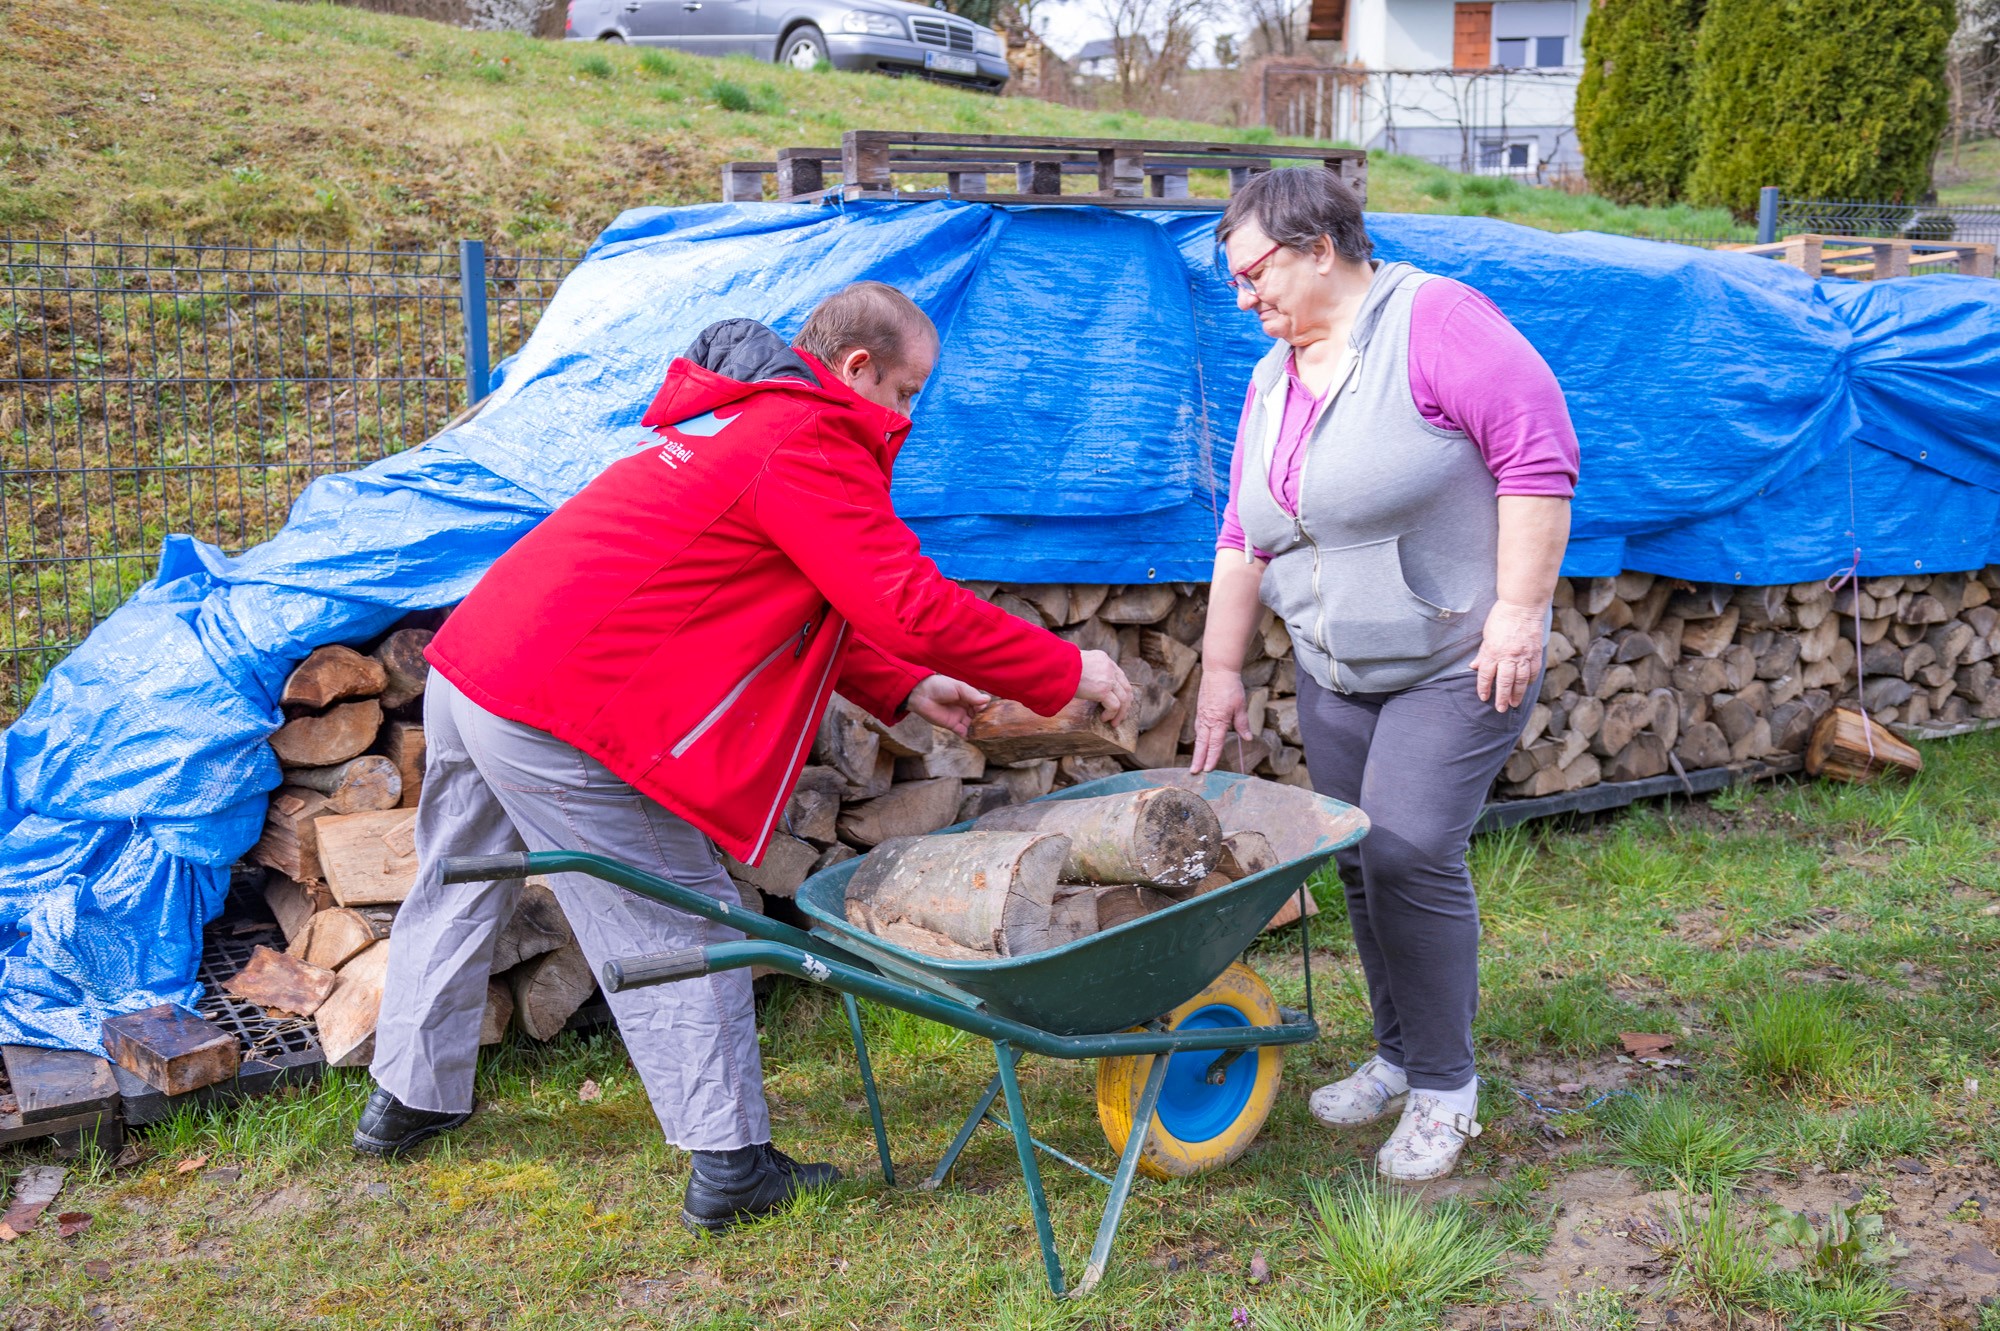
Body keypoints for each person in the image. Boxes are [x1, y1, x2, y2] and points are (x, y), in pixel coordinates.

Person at [355, 282, 1133, 1231]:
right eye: (908, 391)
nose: (910, 415)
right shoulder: (805, 441)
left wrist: (899, 687)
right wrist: (1063, 666)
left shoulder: (742, 422)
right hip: (557, 703)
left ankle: (407, 1098)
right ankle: (731, 1163)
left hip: (478, 664)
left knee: (457, 878)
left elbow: (783, 590)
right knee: (686, 914)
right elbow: (905, 602)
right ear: (858, 369)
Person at [1191, 169, 1578, 1182]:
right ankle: (1398, 1055)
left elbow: (1535, 457)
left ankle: (1447, 1091)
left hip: (1452, 658)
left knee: (1408, 851)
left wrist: (1518, 613)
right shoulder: (1275, 372)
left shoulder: (1435, 320)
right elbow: (1244, 531)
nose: (1243, 299)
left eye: (1253, 273)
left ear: (1319, 246)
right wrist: (1218, 668)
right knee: (1358, 860)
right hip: (1334, 665)